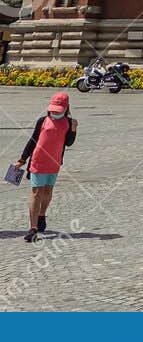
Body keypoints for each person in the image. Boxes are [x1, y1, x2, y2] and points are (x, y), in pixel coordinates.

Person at [15, 90, 77, 242]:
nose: (55, 112)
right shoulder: (42, 121)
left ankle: (42, 215)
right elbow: (33, 140)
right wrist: (22, 159)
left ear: (66, 108)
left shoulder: (68, 122)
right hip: (37, 161)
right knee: (37, 192)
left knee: (48, 191)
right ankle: (33, 228)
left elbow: (68, 142)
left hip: (54, 163)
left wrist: (74, 129)